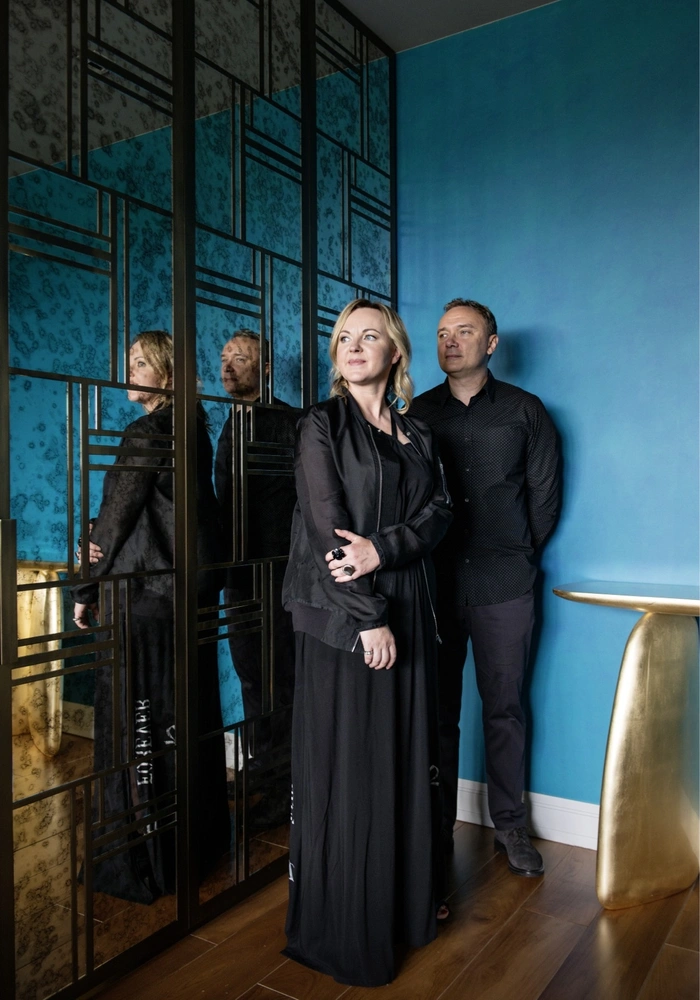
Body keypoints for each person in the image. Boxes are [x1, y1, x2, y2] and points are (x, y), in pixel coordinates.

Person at [281, 299, 452, 987]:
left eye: (369, 336)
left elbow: (440, 513)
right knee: (352, 769)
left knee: (401, 762)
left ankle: (401, 910)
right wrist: (368, 617)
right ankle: (346, 931)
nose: (353, 346)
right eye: (344, 337)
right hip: (346, 617)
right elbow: (326, 527)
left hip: (410, 604)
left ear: (395, 353)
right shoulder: (320, 424)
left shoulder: (418, 433)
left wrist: (385, 549)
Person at [72, 330, 230, 903]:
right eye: (130, 360)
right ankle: (190, 846)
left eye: (142, 362)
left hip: (145, 596)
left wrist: (84, 586)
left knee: (137, 716)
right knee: (184, 712)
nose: (131, 370)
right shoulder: (194, 428)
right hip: (188, 593)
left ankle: (144, 858)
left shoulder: (147, 432)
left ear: (166, 373)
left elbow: (115, 518)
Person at [411, 299, 560, 877]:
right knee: (437, 711)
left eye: (464, 331)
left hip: (506, 581)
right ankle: (435, 827)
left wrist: (516, 551)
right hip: (436, 585)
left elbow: (544, 499)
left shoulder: (526, 411)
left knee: (505, 709)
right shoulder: (418, 414)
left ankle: (510, 826)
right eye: (442, 333)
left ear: (491, 343)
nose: (450, 341)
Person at [214, 330, 297, 832]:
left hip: (279, 572)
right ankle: (262, 769)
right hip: (238, 574)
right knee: (249, 674)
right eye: (224, 358)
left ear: (264, 368)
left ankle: (285, 787)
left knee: (279, 679)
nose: (227, 366)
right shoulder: (228, 420)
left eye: (240, 358)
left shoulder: (288, 421)